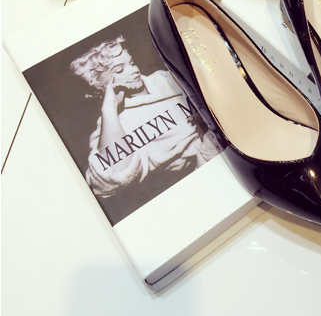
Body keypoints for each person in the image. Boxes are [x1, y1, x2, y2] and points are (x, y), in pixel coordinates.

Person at [70, 35, 221, 198]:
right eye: (119, 70)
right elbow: (107, 182)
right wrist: (109, 108)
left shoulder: (163, 78)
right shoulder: (111, 124)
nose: (134, 70)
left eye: (132, 63)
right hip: (201, 178)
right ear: (101, 85)